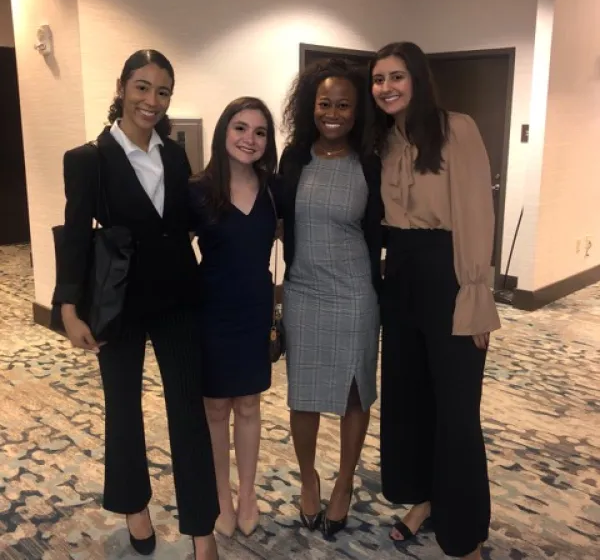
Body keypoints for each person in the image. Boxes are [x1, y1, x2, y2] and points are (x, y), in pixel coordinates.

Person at [52, 50, 219, 560]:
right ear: (122, 86)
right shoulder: (88, 159)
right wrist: (67, 307)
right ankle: (134, 507)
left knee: (187, 411)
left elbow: (188, 221)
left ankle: (202, 530)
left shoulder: (173, 155)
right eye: (142, 87)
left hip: (177, 299)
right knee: (123, 407)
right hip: (116, 302)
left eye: (162, 91)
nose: (152, 100)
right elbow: (76, 234)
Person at [366, 41, 501, 560]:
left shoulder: (456, 128)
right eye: (379, 80)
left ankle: (465, 531)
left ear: (417, 79)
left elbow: (474, 213)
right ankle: (424, 500)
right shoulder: (386, 141)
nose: (387, 88)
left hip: (448, 276)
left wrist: (475, 295)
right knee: (409, 400)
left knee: (456, 410)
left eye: (396, 76)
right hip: (399, 276)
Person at [279, 58, 383, 537]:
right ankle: (308, 478)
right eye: (325, 104)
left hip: (355, 292)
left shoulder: (370, 162)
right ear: (310, 106)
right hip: (304, 289)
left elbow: (381, 228)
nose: (334, 113)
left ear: (358, 111)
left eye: (344, 105)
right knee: (303, 393)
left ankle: (344, 482)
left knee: (354, 389)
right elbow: (275, 218)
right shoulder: (294, 157)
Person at [188, 97, 279, 539]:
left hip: (255, 307)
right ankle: (221, 496)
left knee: (248, 403)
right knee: (215, 407)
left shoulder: (274, 189)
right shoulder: (199, 189)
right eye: (241, 128)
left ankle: (248, 494)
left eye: (260, 132)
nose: (249, 139)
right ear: (224, 132)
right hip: (211, 308)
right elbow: (172, 252)